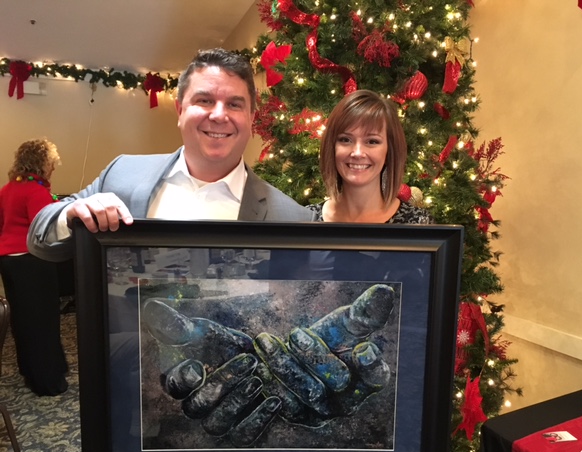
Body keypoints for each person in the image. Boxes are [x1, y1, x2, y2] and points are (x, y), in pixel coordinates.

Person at [27, 48, 314, 263]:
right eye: (204, 100)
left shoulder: (292, 218)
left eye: (234, 104)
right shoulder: (122, 173)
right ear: (180, 110)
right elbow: (39, 238)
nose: (218, 115)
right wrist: (70, 216)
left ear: (251, 118)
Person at [0, 138, 68, 396]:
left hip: (8, 262)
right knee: (43, 322)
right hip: (32, 262)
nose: (54, 168)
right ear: (41, 163)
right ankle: (48, 381)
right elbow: (44, 231)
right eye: (52, 163)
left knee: (23, 321)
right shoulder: (36, 192)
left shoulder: (8, 189)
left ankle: (30, 372)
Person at [307, 89, 431, 224]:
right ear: (332, 147)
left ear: (389, 150)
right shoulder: (307, 220)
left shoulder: (417, 223)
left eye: (372, 141)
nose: (357, 153)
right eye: (345, 140)